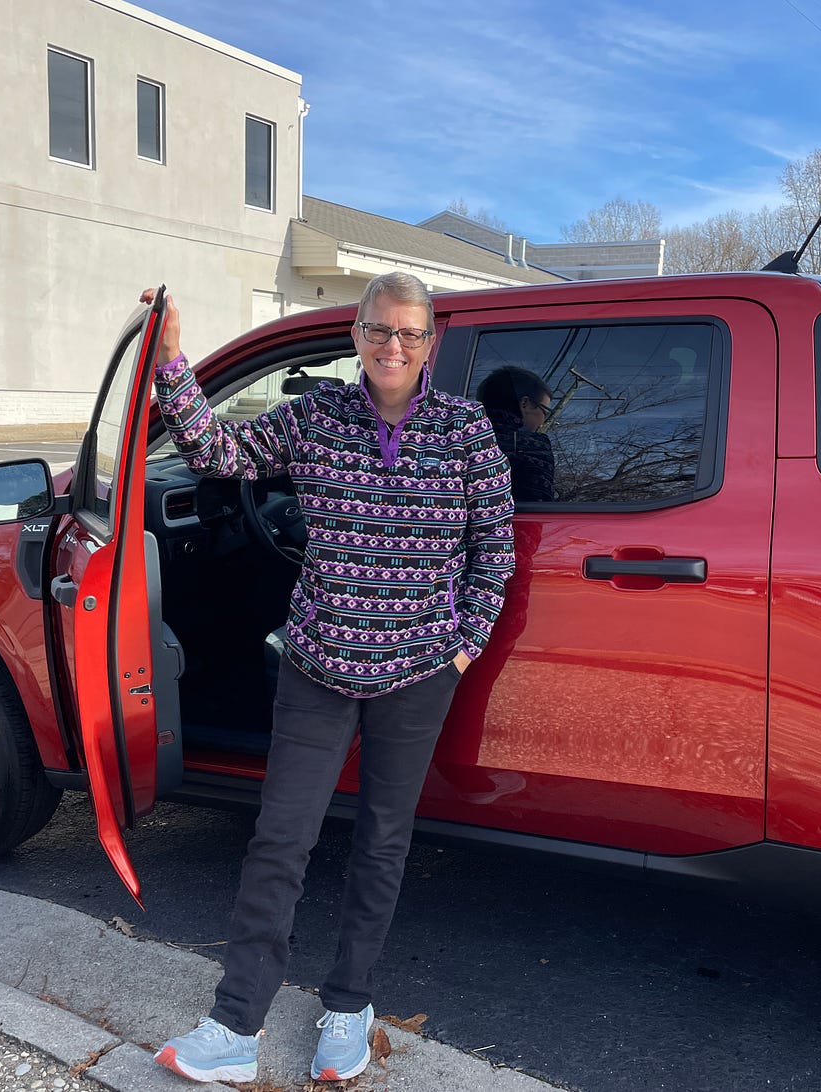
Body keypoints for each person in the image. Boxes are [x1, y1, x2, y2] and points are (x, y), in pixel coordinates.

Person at [146, 272, 514, 1084]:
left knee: (382, 845)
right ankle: (236, 1024)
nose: (394, 347)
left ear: (429, 344)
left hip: (418, 673)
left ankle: (348, 1009)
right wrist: (172, 363)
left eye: (411, 334)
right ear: (357, 333)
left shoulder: (465, 430)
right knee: (281, 839)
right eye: (380, 330)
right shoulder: (315, 418)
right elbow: (218, 453)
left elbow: (495, 554)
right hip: (317, 664)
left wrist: (459, 650)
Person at [474, 365, 556, 502]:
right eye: (545, 412)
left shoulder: (456, 440)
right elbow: (541, 501)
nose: (542, 422)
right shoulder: (533, 446)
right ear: (525, 404)